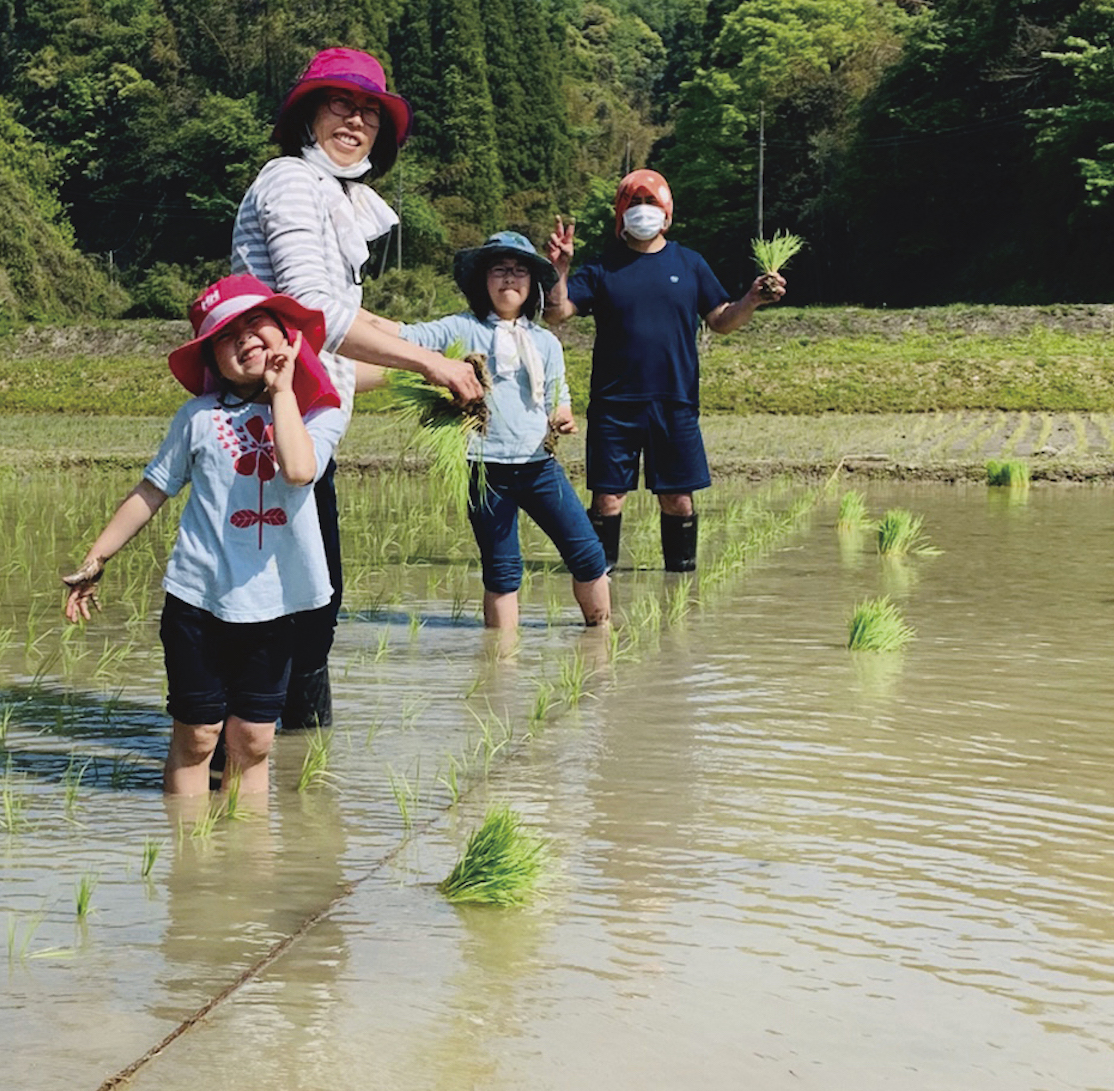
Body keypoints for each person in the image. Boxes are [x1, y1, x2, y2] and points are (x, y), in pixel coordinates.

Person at [231, 47, 483, 727]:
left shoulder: (332, 199)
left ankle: (296, 777)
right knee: (266, 612)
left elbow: (343, 346)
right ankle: (236, 780)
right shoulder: (288, 180)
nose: (356, 118)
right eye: (340, 102)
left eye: (370, 109)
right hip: (256, 438)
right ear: (308, 114)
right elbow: (316, 314)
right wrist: (430, 362)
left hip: (304, 437)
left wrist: (438, 351)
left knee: (314, 608)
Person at [61, 276, 342, 794]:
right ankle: (189, 868)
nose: (243, 337)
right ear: (213, 360)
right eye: (225, 334)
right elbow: (152, 491)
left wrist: (282, 392)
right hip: (199, 600)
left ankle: (246, 864)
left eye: (255, 322)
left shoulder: (317, 412)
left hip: (277, 602)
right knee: (197, 736)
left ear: (288, 334)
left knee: (254, 740)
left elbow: (299, 470)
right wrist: (96, 558)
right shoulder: (197, 417)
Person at [545, 169, 785, 573]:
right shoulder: (602, 267)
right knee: (608, 499)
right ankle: (600, 581)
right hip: (613, 406)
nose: (643, 212)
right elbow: (557, 314)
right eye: (634, 204)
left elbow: (721, 320)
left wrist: (753, 299)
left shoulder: (689, 264)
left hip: (675, 403)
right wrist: (560, 270)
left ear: (667, 213)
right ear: (621, 215)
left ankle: (681, 579)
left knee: (679, 499)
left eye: (650, 203)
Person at [388, 232, 609, 632]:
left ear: (532, 285)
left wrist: (563, 414)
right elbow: (407, 338)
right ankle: (501, 667)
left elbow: (559, 396)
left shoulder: (545, 342)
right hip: (484, 469)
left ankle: (601, 638)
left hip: (539, 467)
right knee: (503, 570)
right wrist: (348, 321)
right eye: (499, 270)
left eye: (519, 271)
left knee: (589, 555)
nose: (509, 278)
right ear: (483, 281)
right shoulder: (461, 329)